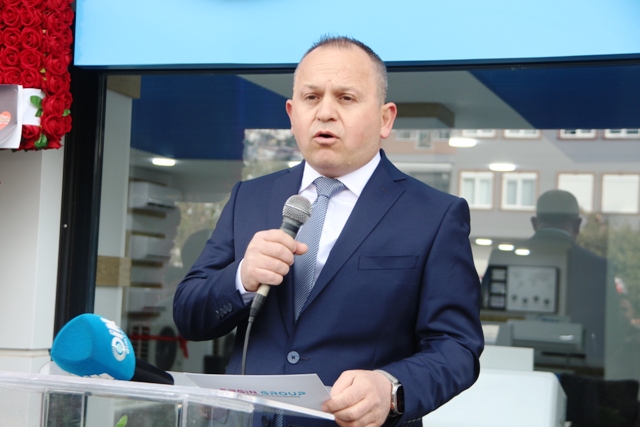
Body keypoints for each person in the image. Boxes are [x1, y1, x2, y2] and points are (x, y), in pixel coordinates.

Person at [173, 35, 483, 427]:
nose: (325, 113)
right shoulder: (249, 197)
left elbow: (456, 347)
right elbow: (189, 314)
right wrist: (241, 278)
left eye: (346, 98)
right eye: (311, 97)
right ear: (292, 113)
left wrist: (390, 388)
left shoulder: (434, 215)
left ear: (385, 119)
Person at [483, 189, 607, 370]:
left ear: (534, 223)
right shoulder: (597, 266)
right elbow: (609, 334)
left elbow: (484, 319)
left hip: (512, 366)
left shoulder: (502, 257)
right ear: (577, 224)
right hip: (576, 371)